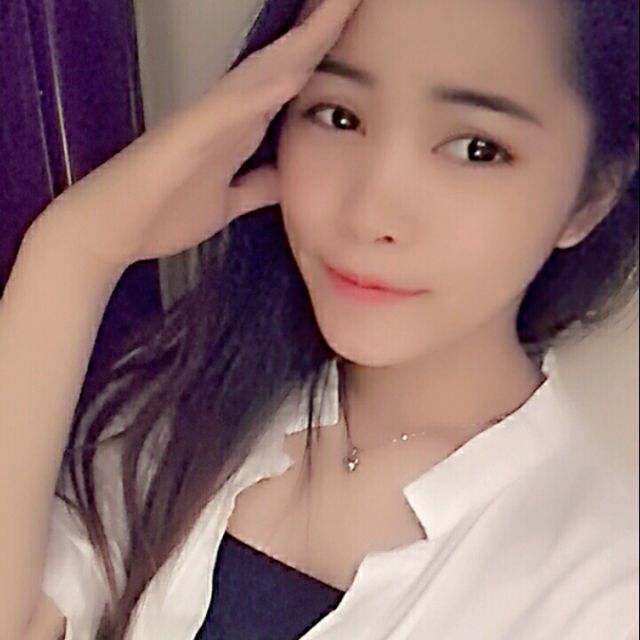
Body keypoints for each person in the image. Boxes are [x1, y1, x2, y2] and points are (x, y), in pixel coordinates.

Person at [1, 0, 638, 637]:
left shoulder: (601, 591)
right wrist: (73, 251)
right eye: (339, 116)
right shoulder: (186, 409)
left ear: (590, 194)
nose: (369, 213)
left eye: (477, 149)